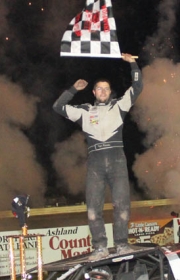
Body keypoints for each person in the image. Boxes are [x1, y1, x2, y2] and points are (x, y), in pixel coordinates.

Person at [53, 53, 143, 260]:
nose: (103, 91)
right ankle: (100, 248)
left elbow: (137, 87)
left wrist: (133, 64)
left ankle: (121, 245)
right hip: (95, 161)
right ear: (94, 91)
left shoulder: (119, 106)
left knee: (122, 206)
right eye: (99, 88)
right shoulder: (85, 110)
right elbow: (57, 107)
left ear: (110, 92)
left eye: (106, 88)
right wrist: (73, 89)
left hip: (117, 159)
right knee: (93, 208)